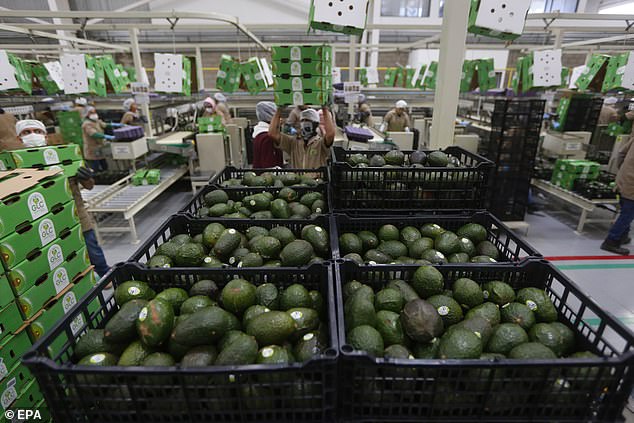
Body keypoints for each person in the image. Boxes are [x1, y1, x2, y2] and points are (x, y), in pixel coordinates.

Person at [14, 119, 110, 277]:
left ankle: (104, 274)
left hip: (76, 214)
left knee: (92, 248)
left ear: (45, 136)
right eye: (26, 132)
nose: (33, 135)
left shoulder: (65, 156)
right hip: (41, 221)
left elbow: (89, 185)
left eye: (37, 132)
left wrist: (85, 176)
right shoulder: (15, 165)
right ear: (19, 138)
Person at [269, 106, 335, 168]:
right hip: (298, 179)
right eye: (302, 121)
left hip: (317, 179)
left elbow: (330, 135)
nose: (304, 123)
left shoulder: (320, 143)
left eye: (307, 120)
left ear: (315, 124)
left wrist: (324, 109)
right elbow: (273, 134)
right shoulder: (293, 143)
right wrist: (279, 110)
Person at [601, 133, 634, 255]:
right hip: (632, 185)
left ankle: (623, 235)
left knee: (625, 209)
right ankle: (611, 241)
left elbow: (621, 154)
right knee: (627, 214)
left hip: (623, 180)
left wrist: (622, 171)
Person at [81, 106, 115, 172]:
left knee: (105, 166)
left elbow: (104, 125)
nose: (94, 114)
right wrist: (107, 136)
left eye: (94, 112)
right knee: (95, 169)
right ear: (87, 114)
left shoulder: (96, 121)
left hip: (99, 148)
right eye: (91, 112)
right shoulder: (86, 124)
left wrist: (116, 125)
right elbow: (94, 134)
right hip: (92, 150)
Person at [252, 101, 283, 168]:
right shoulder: (267, 138)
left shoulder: (258, 134)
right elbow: (269, 166)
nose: (281, 120)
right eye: (277, 117)